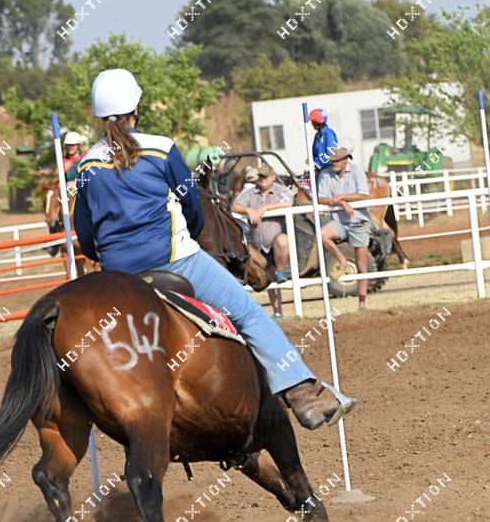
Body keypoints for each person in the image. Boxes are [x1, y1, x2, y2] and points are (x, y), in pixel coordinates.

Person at [73, 68, 356, 431]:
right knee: (249, 315)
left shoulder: (86, 164)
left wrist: (105, 257)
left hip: (117, 278)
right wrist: (191, 236)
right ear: (136, 108)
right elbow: (191, 204)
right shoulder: (161, 148)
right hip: (176, 263)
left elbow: (85, 232)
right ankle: (304, 394)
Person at [232, 163, 294, 319]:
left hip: (276, 241)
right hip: (258, 243)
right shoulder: (250, 192)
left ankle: (281, 270)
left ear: (273, 177)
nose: (262, 179)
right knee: (268, 276)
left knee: (282, 241)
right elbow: (235, 206)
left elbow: (289, 202)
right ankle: (277, 312)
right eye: (260, 176)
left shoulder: (281, 189)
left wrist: (265, 208)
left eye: (265, 176)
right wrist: (248, 210)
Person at [317, 147, 372, 312]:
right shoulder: (325, 174)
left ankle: (362, 304)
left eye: (337, 160)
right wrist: (342, 203)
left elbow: (364, 194)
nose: (333, 163)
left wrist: (341, 197)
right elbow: (321, 198)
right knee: (322, 234)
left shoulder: (356, 171)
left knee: (361, 266)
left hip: (358, 220)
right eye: (332, 161)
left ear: (346, 160)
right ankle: (342, 260)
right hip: (339, 220)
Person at [309, 108, 338, 175]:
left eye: (312, 122)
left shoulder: (329, 134)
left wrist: (317, 165)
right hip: (318, 169)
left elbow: (330, 155)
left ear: (316, 122)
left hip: (328, 170)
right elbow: (313, 154)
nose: (311, 123)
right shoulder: (317, 135)